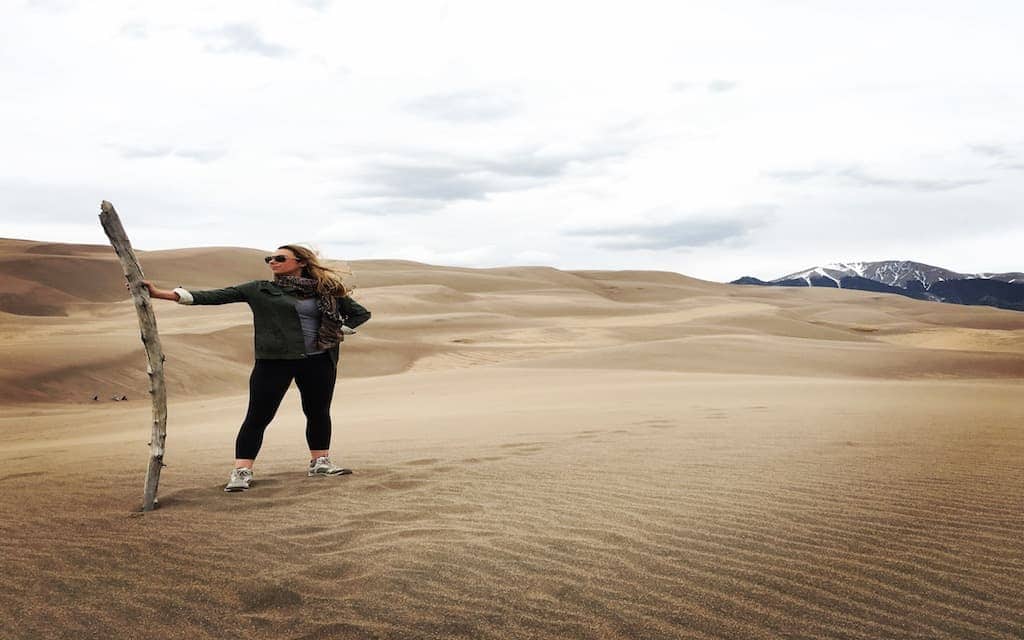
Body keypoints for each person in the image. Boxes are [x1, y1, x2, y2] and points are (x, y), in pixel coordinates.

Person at [128, 245, 371, 492]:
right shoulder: (260, 289)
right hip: (275, 361)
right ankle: (242, 471)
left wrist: (337, 332)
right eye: (269, 259)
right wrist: (160, 294)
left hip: (319, 361)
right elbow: (214, 296)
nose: (272, 262)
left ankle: (320, 462)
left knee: (318, 412)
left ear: (301, 262)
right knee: (258, 416)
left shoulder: (324, 290)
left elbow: (360, 314)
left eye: (279, 258)